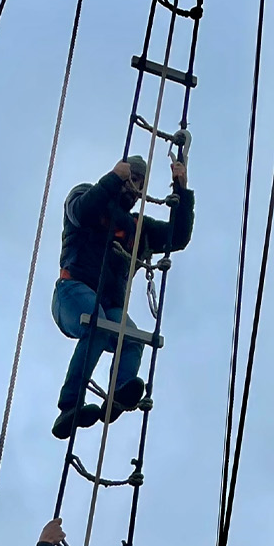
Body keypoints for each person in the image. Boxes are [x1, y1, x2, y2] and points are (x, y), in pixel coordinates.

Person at [51, 150, 194, 440]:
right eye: (133, 178)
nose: (136, 186)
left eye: (141, 183)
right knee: (97, 323)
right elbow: (82, 213)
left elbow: (176, 237)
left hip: (108, 303)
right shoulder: (88, 195)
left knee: (131, 339)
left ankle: (119, 390)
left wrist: (182, 189)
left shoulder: (137, 227)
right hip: (72, 291)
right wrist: (114, 179)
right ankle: (70, 404)